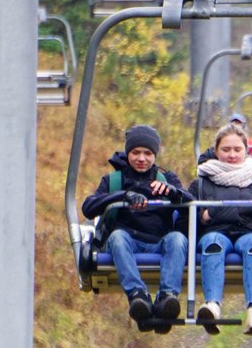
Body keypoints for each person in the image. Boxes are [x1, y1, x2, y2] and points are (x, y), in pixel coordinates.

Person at [81, 124, 191, 331]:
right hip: (128, 242)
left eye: (148, 153)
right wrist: (123, 196)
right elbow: (88, 207)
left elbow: (191, 204)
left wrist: (173, 193)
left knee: (177, 239)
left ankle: (167, 297)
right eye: (136, 153)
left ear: (155, 155)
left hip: (159, 241)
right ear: (128, 152)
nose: (142, 159)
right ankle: (137, 295)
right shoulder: (114, 180)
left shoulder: (166, 179)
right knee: (117, 237)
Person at [188, 123, 252, 335]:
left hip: (250, 233)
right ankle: (212, 305)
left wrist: (223, 208)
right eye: (226, 150)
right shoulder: (202, 182)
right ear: (216, 151)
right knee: (213, 243)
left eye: (237, 150)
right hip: (215, 233)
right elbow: (197, 215)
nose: (232, 155)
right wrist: (246, 206)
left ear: (246, 150)